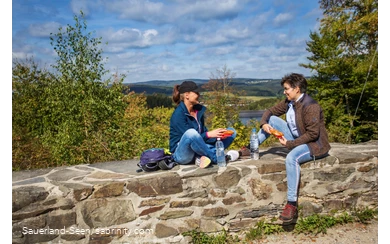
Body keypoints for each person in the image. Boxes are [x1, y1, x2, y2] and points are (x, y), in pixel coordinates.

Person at [257, 73, 331, 222]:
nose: (284, 92)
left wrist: (290, 144)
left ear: (297, 89)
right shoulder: (289, 102)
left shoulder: (311, 106)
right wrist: (264, 123)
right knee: (272, 119)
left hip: (315, 144)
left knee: (291, 158)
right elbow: (270, 111)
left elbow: (313, 134)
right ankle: (250, 147)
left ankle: (291, 204)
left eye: (287, 89)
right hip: (299, 139)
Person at [169, 80, 237, 168]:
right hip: (182, 154)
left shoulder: (198, 111)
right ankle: (216, 157)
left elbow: (201, 138)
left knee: (232, 132)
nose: (199, 95)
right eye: (196, 92)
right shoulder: (178, 114)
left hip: (198, 147)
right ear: (187, 95)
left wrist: (216, 136)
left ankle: (202, 157)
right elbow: (191, 139)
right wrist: (209, 134)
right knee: (191, 133)